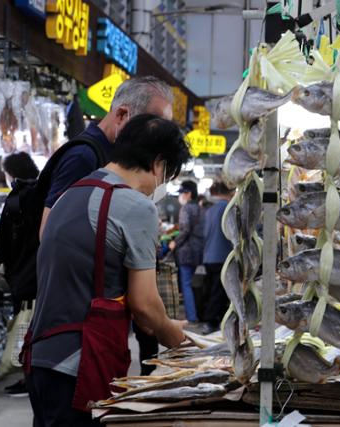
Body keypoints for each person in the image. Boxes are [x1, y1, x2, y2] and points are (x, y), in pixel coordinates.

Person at [24, 114, 189, 426]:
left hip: (41, 357)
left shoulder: (71, 193)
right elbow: (144, 305)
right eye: (167, 175)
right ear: (158, 164)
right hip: (79, 365)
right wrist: (173, 334)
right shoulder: (136, 206)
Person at [40, 76, 173, 238]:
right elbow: (48, 232)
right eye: (154, 127)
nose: (159, 138)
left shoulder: (115, 157)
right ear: (122, 114)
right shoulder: (83, 157)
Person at [0, 152, 40, 397]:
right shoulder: (41, 191)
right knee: (30, 326)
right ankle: (29, 376)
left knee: (26, 326)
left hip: (25, 273)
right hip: (36, 271)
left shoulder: (20, 197)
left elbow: (12, 242)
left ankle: (29, 378)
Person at [200, 181, 234, 335]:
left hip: (209, 257)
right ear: (228, 192)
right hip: (223, 256)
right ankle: (212, 320)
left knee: (212, 289)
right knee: (219, 291)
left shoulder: (209, 210)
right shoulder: (227, 208)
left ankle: (212, 319)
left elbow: (204, 234)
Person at [169, 181, 204, 323]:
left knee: (186, 284)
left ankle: (191, 317)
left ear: (188, 193)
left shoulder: (185, 209)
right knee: (196, 284)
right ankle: (197, 314)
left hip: (186, 252)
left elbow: (184, 230)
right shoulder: (201, 209)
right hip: (199, 251)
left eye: (182, 193)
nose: (180, 196)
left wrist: (174, 243)